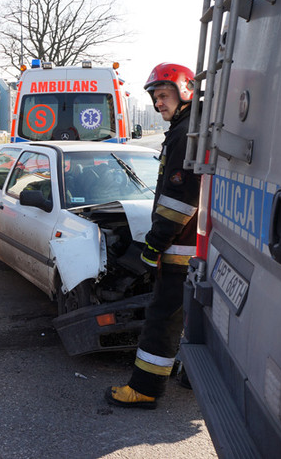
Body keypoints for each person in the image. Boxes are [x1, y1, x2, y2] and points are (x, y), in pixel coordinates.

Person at [105, 63, 199, 409]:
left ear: (184, 90)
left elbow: (179, 199)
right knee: (193, 317)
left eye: (163, 94)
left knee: (162, 318)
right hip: (193, 246)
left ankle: (144, 388)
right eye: (155, 97)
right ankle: (191, 374)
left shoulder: (185, 132)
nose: (159, 103)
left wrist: (155, 243)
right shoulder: (189, 128)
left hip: (179, 247)